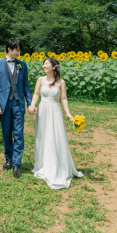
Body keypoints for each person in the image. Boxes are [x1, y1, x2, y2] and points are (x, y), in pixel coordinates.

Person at [28, 57, 83, 189]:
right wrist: (32, 105)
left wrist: (68, 113)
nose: (44, 66)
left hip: (55, 110)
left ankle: (58, 165)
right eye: (43, 64)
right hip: (43, 110)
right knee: (43, 136)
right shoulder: (40, 80)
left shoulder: (61, 82)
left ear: (54, 66)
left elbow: (63, 98)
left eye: (46, 64)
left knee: (56, 136)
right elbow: (36, 94)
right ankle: (43, 164)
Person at [0, 38, 32, 178]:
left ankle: (16, 164)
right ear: (9, 49)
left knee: (19, 134)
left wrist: (30, 103)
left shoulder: (23, 66)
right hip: (4, 103)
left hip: (18, 103)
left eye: (20, 50)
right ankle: (8, 158)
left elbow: (26, 86)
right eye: (17, 50)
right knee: (7, 133)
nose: (19, 52)